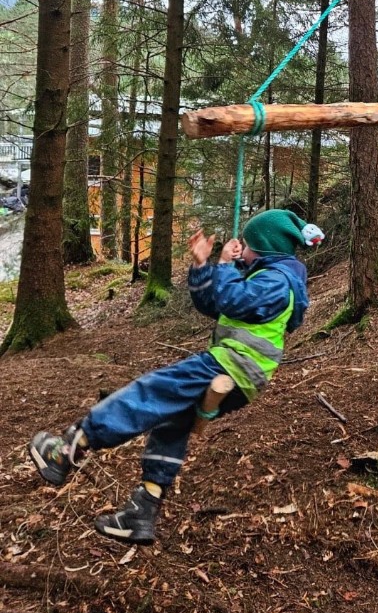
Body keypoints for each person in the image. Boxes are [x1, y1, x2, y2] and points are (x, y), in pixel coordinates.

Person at [28, 209, 325, 545]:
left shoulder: (278, 281)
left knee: (151, 392)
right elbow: (213, 304)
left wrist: (225, 266)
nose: (241, 249)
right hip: (239, 372)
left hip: (233, 365)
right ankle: (143, 510)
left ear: (265, 248)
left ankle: (69, 447)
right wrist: (202, 266)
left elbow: (232, 299)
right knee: (173, 423)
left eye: (247, 244)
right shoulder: (264, 277)